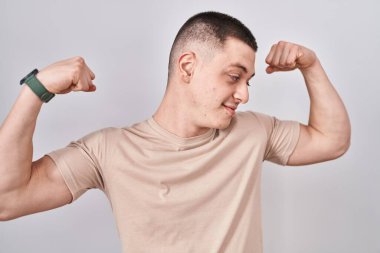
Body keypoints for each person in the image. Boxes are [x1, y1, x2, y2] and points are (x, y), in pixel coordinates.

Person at [0, 11, 350, 253]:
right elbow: (7, 199)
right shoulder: (109, 150)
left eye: (248, 80)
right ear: (188, 67)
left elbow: (331, 141)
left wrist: (311, 65)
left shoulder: (253, 131)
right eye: (234, 76)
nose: (245, 94)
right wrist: (35, 88)